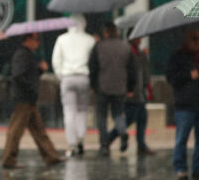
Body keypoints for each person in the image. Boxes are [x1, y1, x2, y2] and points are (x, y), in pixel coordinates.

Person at [2, 33, 65, 168]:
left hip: (28, 98)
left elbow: (28, 74)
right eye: (35, 39)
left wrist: (39, 70)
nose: (37, 42)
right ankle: (8, 159)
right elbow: (19, 75)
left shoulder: (28, 55)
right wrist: (31, 87)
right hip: (24, 98)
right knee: (16, 130)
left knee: (38, 129)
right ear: (27, 40)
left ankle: (51, 156)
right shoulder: (22, 55)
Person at [166, 28, 199, 180]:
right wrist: (188, 75)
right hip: (185, 104)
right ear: (187, 40)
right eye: (194, 39)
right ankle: (180, 168)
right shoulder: (178, 57)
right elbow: (171, 78)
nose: (197, 42)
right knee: (182, 138)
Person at [51, 14, 96, 156]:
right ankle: (81, 139)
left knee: (69, 112)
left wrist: (62, 76)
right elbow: (94, 62)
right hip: (83, 78)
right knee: (82, 111)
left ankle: (71, 144)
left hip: (68, 78)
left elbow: (56, 61)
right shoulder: (90, 40)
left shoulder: (62, 39)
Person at [89, 23, 135, 157]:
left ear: (106, 33)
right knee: (118, 114)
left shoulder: (99, 47)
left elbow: (92, 67)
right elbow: (132, 70)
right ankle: (122, 132)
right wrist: (130, 87)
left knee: (101, 117)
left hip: (103, 87)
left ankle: (104, 145)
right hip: (120, 87)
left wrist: (93, 85)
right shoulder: (125, 47)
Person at [108, 32, 154, 155]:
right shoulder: (126, 52)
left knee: (142, 118)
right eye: (137, 37)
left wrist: (147, 88)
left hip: (140, 92)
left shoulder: (140, 54)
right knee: (129, 119)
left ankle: (141, 145)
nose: (140, 40)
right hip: (130, 93)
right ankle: (108, 139)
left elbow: (144, 73)